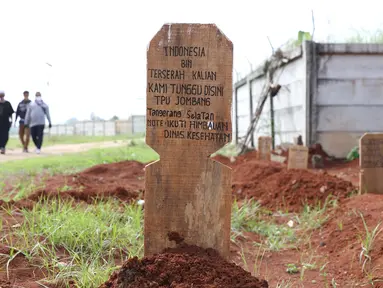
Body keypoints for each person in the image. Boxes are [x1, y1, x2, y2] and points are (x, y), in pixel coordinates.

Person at [0, 90, 15, 154]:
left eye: (2, 95)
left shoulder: (7, 103)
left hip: (5, 122)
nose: (1, 96)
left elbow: (11, 113)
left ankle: (3, 147)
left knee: (5, 135)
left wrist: (11, 121)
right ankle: (1, 147)